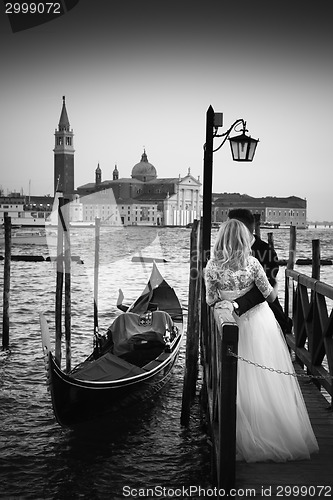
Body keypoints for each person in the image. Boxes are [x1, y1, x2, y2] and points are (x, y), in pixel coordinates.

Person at [204, 219, 318, 463]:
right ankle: (275, 428)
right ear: (244, 240)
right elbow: (269, 294)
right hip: (260, 324)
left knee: (241, 379)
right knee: (266, 379)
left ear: (221, 239)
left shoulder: (212, 266)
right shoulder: (253, 263)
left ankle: (243, 431)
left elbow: (210, 299)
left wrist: (228, 301)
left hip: (231, 324)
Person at [228, 208, 292, 334]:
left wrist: (236, 305)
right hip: (234, 316)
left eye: (230, 227)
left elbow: (264, 289)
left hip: (264, 317)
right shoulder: (229, 250)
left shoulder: (266, 252)